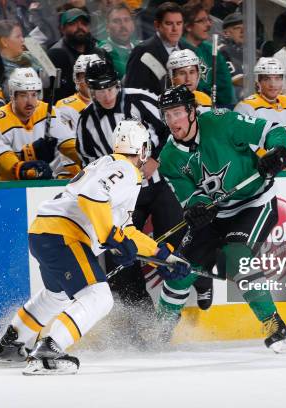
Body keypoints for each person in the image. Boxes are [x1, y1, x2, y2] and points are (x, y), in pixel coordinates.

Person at [0, 119, 190, 375]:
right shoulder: (125, 169)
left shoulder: (107, 165)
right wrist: (111, 238)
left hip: (44, 232)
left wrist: (164, 257)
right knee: (98, 297)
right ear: (141, 149)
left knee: (56, 296)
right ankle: (49, 351)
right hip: (65, 236)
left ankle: (10, 345)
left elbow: (126, 230)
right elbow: (93, 197)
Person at [157, 85, 286, 352]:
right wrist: (197, 209)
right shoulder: (169, 158)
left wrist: (278, 151)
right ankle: (158, 331)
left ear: (191, 111)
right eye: (167, 115)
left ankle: (274, 325)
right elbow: (192, 198)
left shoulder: (222, 122)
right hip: (217, 214)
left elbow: (273, 131)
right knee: (179, 269)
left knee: (236, 258)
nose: (173, 121)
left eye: (177, 113)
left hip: (254, 203)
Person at [76, 60, 195, 331]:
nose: (106, 95)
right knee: (123, 262)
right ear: (90, 90)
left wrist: (155, 161)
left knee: (181, 242)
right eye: (99, 90)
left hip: (158, 185)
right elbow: (89, 164)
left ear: (117, 83)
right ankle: (143, 325)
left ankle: (193, 290)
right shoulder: (86, 122)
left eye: (110, 88)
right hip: (123, 199)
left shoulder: (142, 100)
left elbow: (173, 132)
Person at [0, 67, 78, 179]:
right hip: (11, 187)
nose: (30, 102)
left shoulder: (47, 111)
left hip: (45, 181)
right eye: (23, 95)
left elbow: (70, 146)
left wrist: (93, 157)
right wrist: (27, 155)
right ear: (12, 94)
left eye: (34, 95)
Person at [235, 58, 286, 169]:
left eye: (277, 78)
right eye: (267, 79)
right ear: (258, 81)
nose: (273, 84)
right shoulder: (246, 108)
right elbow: (245, 147)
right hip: (265, 171)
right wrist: (276, 162)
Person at [180, 1, 235, 106]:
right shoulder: (178, 50)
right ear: (188, 26)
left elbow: (225, 87)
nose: (209, 25)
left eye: (208, 20)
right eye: (201, 21)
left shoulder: (210, 50)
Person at [125, 2, 185, 96]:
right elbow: (132, 93)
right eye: (169, 23)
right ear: (157, 25)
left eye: (179, 23)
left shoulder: (187, 49)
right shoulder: (142, 51)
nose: (175, 29)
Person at [47, 8, 105, 102]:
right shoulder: (56, 55)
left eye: (84, 24)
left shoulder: (98, 52)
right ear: (62, 29)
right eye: (73, 23)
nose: (80, 27)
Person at [0, 19, 43, 101]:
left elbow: (49, 80)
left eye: (22, 36)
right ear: (4, 42)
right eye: (18, 36)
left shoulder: (31, 57)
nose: (22, 40)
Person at [97, 3, 138, 79]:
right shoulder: (102, 51)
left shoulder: (141, 46)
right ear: (107, 27)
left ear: (133, 25)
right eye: (116, 21)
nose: (123, 25)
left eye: (127, 20)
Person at [219, 12, 244, 101]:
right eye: (237, 28)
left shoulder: (251, 51)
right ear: (226, 33)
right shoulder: (222, 50)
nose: (243, 31)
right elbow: (237, 80)